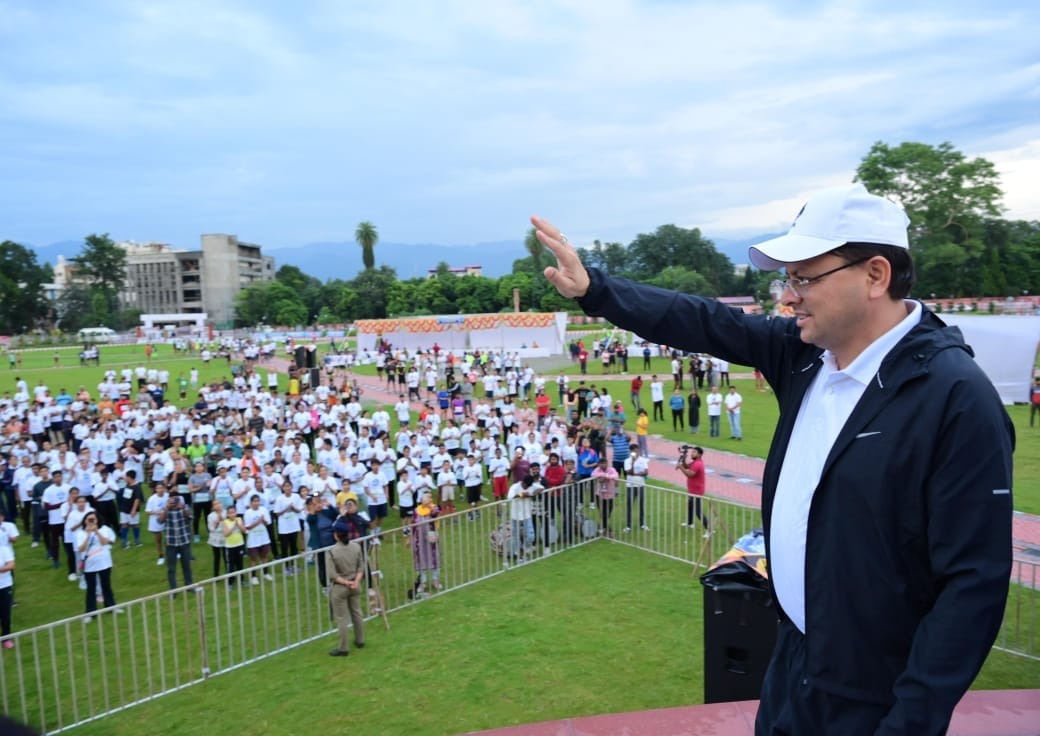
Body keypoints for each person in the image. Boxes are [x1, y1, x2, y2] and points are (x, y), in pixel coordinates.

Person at [532, 183, 1013, 735]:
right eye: (787, 279)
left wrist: (912, 722)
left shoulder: (955, 396)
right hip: (791, 668)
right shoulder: (805, 356)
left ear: (876, 275)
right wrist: (596, 289)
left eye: (805, 278)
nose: (788, 296)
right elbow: (705, 321)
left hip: (877, 698)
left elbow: (973, 585)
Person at [325, 519, 365, 657]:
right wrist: (356, 581)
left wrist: (346, 583)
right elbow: (361, 567)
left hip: (340, 588)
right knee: (357, 612)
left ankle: (343, 648)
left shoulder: (332, 552)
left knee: (342, 618)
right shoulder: (356, 547)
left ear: (336, 535)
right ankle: (360, 640)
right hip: (355, 584)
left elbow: (332, 575)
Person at [75, 511, 119, 619]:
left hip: (104, 562)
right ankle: (90, 613)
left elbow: (105, 542)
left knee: (106, 586)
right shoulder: (80, 534)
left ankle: (111, 606)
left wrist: (96, 532)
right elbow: (81, 548)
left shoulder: (104, 529)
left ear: (97, 520)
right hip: (90, 565)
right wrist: (88, 535)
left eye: (93, 519)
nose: (91, 521)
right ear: (84, 521)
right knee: (91, 589)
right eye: (88, 520)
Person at [160, 489, 194, 593]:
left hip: (184, 541)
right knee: (171, 568)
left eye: (176, 499)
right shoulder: (165, 508)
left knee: (187, 566)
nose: (174, 501)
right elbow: (160, 520)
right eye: (172, 499)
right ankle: (173, 590)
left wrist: (182, 508)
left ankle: (189, 586)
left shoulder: (184, 507)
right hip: (171, 543)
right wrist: (167, 508)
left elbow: (190, 517)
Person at [623, 443, 649, 532]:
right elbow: (629, 472)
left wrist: (636, 473)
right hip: (630, 486)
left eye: (637, 450)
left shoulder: (643, 460)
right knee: (629, 505)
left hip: (640, 485)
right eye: (633, 451)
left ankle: (642, 524)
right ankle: (628, 526)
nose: (636, 452)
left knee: (642, 505)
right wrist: (633, 463)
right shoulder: (627, 461)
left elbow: (646, 472)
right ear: (630, 452)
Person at [590, 458, 618, 537]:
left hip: (610, 494)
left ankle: (602, 526)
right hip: (600, 495)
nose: (603, 465)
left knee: (609, 511)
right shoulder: (597, 470)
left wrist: (617, 490)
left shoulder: (611, 469)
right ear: (599, 464)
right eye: (602, 463)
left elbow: (616, 476)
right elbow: (593, 475)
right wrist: (605, 476)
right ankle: (609, 530)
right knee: (603, 512)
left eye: (605, 463)